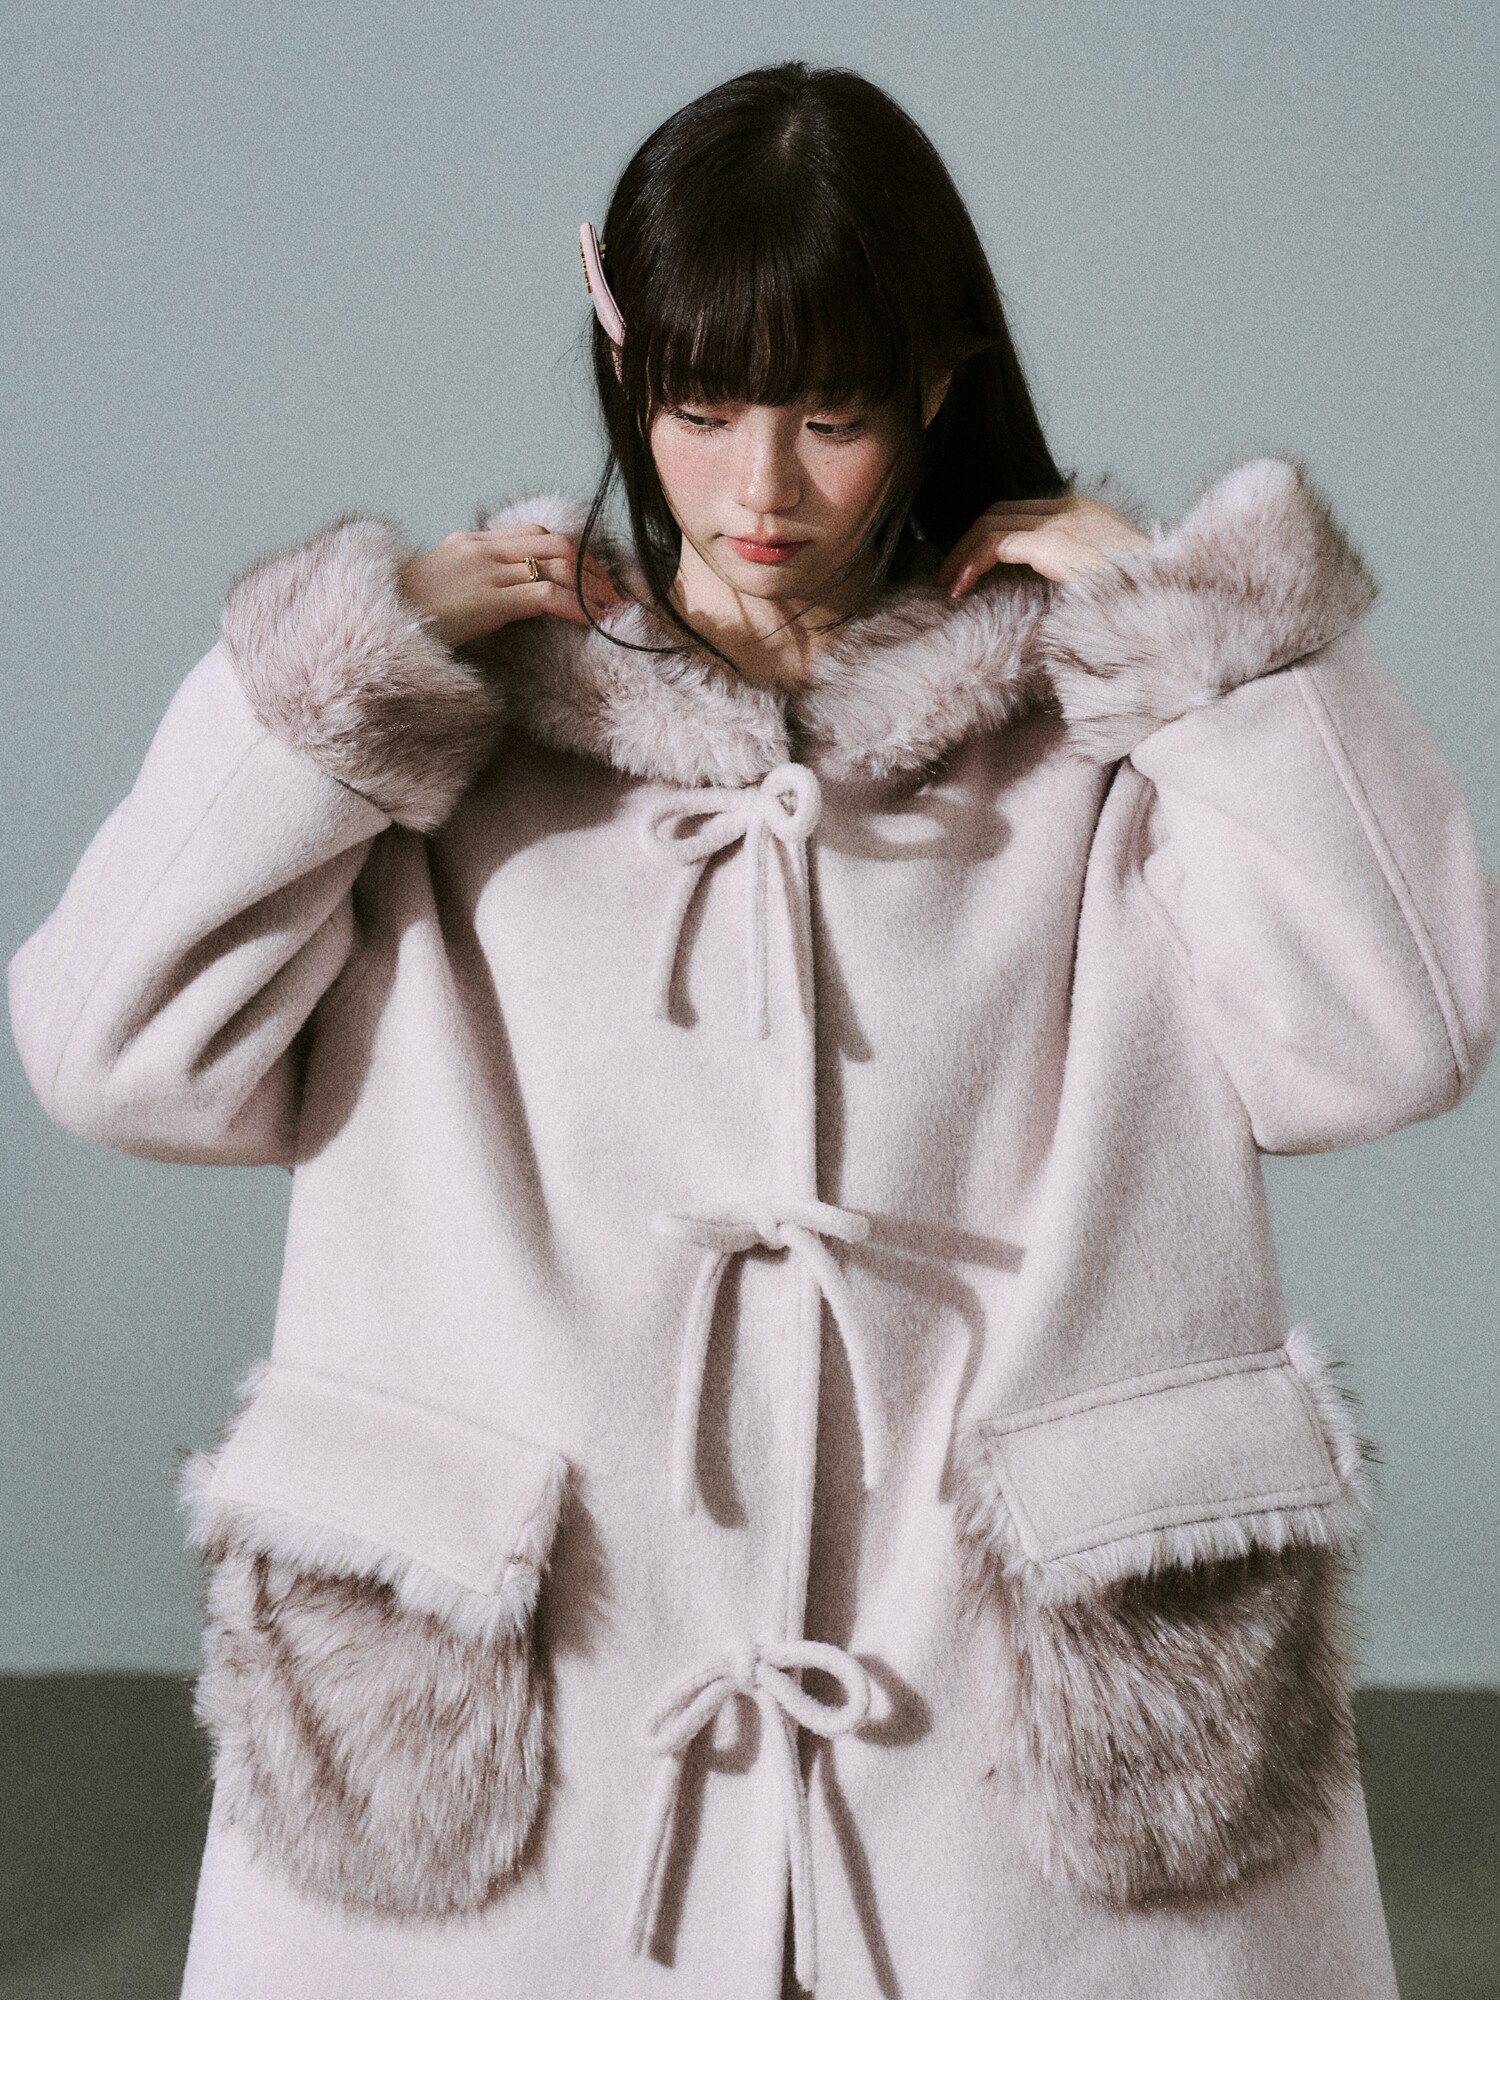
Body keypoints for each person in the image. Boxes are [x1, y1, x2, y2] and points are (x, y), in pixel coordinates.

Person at [8, 61, 1497, 2002]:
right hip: (535, 1735)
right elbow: (116, 1053)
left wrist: (1194, 633)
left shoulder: (1104, 750)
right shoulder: (449, 752)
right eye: (700, 411)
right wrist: (338, 682)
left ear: (937, 387)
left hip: (1010, 1753)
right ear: (623, 362)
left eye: (831, 415)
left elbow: (1397, 1036)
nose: (761, 488)